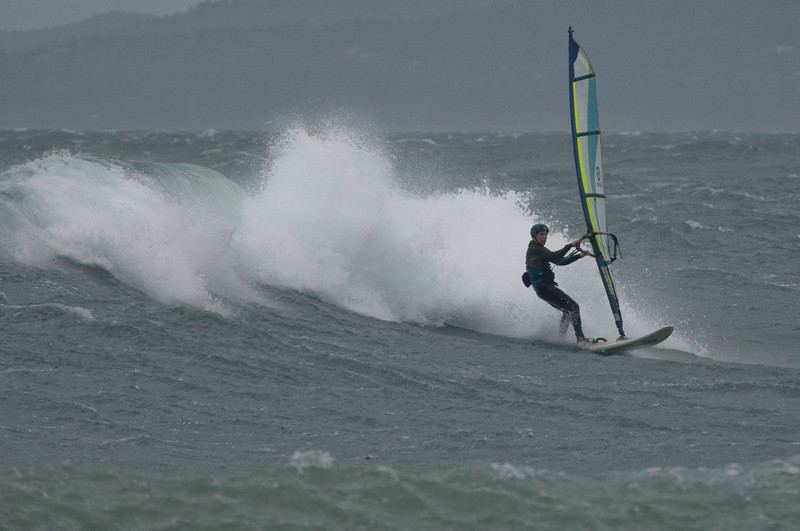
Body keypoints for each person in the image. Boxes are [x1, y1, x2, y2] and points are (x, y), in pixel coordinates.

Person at [524, 223, 594, 343]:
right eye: (541, 234)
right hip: (544, 287)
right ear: (534, 236)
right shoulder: (535, 249)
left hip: (543, 289)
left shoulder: (540, 249)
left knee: (567, 311)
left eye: (546, 234)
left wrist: (579, 255)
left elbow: (560, 261)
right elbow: (554, 255)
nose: (544, 237)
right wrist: (570, 245)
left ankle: (561, 338)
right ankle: (581, 339)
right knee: (574, 307)